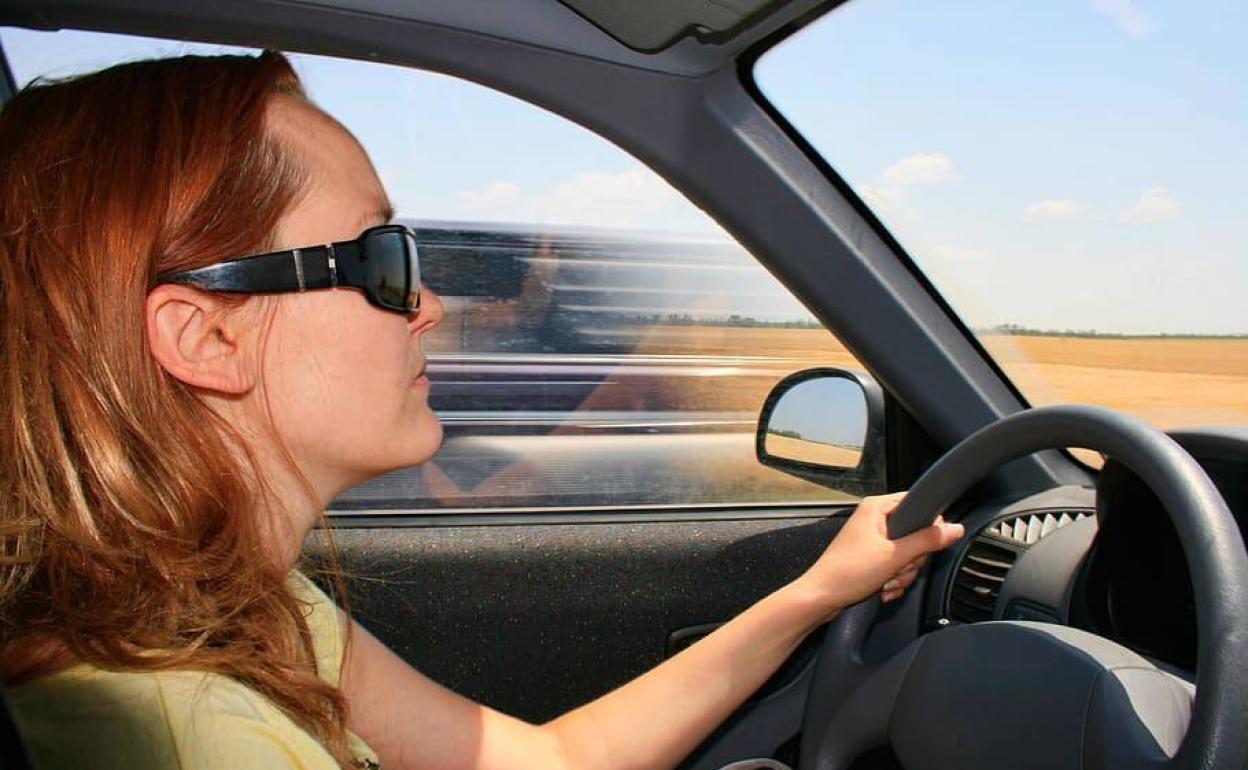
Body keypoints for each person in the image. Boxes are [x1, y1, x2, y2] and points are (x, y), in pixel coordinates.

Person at [0, 51, 964, 770]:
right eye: (381, 260)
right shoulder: (186, 736)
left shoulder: (231, 604)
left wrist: (812, 595)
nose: (430, 306)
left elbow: (546, 765)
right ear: (205, 339)